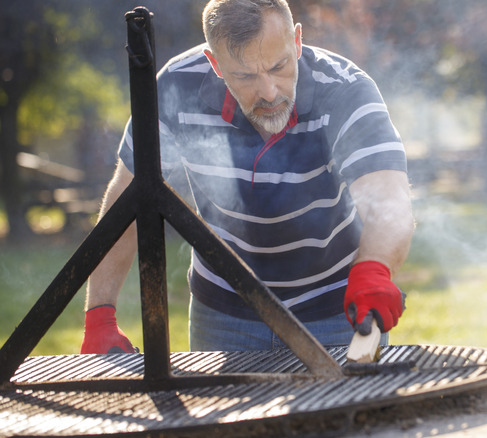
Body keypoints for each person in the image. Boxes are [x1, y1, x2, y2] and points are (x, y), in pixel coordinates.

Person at [80, 0, 414, 353]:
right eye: (245, 76)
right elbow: (129, 197)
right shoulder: (175, 87)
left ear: (296, 41)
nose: (269, 92)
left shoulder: (347, 90)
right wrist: (100, 315)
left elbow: (388, 200)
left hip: (334, 309)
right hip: (225, 312)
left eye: (279, 66)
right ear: (215, 63)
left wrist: (374, 270)